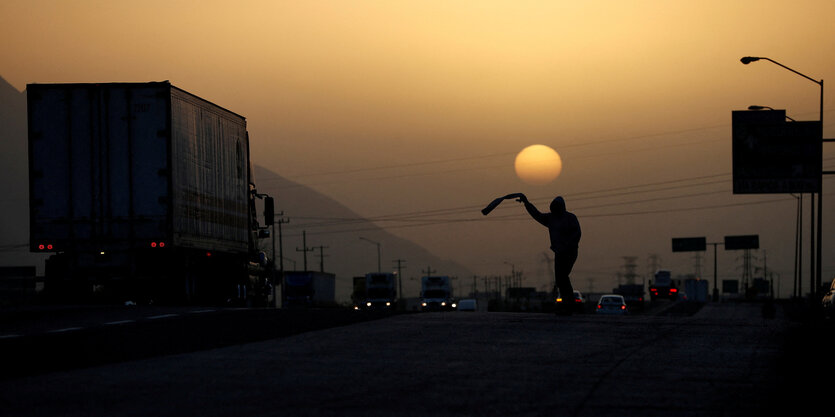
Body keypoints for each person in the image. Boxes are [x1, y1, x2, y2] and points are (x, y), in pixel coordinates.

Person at [517, 195, 581, 315]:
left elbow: (577, 234)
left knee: (563, 278)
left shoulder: (570, 218)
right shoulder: (551, 218)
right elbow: (537, 215)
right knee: (561, 279)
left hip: (569, 252)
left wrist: (567, 245)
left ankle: (568, 305)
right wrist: (527, 203)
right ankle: (567, 305)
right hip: (559, 253)